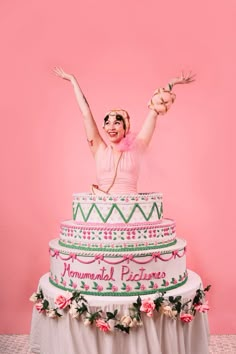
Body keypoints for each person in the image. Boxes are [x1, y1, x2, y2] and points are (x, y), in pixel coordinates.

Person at [53, 67, 195, 194]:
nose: (111, 127)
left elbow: (155, 109)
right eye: (107, 123)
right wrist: (73, 80)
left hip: (131, 216)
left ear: (126, 127)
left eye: (117, 123)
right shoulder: (99, 150)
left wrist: (172, 83)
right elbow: (86, 113)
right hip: (102, 215)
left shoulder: (137, 148)